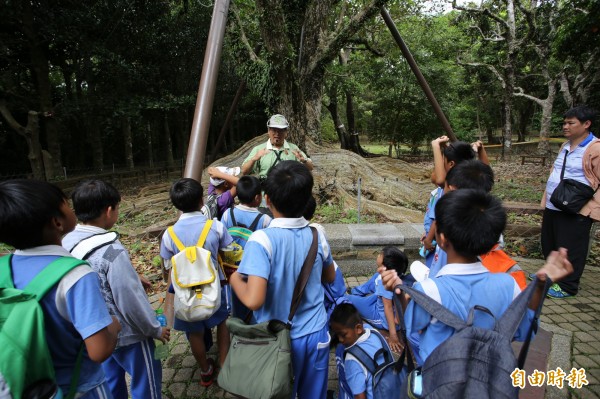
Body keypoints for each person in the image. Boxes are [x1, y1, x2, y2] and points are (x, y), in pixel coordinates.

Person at [379, 189, 573, 366]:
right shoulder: (509, 284)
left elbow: (413, 326)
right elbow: (524, 331)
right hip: (488, 379)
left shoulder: (429, 290)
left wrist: (399, 291)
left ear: (442, 239)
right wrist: (539, 286)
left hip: (441, 380)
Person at [0, 179, 121, 398]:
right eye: (65, 203)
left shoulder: (2, 270)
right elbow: (99, 350)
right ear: (57, 222)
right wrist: (114, 325)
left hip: (27, 387)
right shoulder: (75, 274)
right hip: (81, 388)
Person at [230, 160, 335, 399]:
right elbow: (329, 277)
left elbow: (254, 300)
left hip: (275, 338)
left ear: (267, 200)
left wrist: (235, 278)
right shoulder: (317, 235)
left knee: (275, 391)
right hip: (314, 333)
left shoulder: (261, 240)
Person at [62, 180, 170, 399]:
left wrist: (131, 273)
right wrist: (154, 329)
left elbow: (97, 271)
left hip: (96, 335)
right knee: (145, 385)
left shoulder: (65, 243)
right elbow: (128, 299)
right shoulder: (111, 250)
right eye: (118, 208)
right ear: (109, 210)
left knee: (112, 384)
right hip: (130, 336)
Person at [160, 178, 234, 386]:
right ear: (201, 200)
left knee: (194, 331)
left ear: (176, 205)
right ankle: (224, 364)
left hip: (184, 289)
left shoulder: (169, 234)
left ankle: (205, 370)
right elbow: (228, 253)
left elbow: (167, 265)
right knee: (222, 322)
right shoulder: (215, 226)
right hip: (214, 285)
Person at [540, 105, 600, 298]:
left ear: (586, 124)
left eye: (570, 123)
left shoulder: (595, 149)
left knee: (570, 247)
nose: (565, 126)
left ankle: (568, 286)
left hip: (576, 208)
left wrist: (593, 209)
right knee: (550, 243)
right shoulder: (565, 146)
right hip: (554, 203)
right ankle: (550, 276)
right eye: (564, 122)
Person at [345, 246, 408, 353]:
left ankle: (353, 295)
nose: (378, 255)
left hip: (379, 316)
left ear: (385, 266)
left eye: (380, 255)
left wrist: (393, 336)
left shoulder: (385, 284)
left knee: (347, 299)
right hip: (380, 300)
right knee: (375, 277)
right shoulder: (392, 275)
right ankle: (357, 291)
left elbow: (387, 307)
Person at [330, 303, 398, 399]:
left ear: (358, 329)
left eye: (343, 335)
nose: (340, 340)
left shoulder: (352, 360)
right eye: (337, 335)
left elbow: (360, 396)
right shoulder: (374, 332)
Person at [241, 114, 313, 180]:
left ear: (286, 132)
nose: (277, 133)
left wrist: (304, 160)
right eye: (274, 130)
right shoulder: (259, 149)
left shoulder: (293, 148)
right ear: (268, 131)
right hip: (267, 191)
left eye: (281, 130)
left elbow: (310, 167)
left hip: (289, 190)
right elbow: (244, 172)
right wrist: (254, 159)